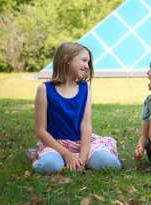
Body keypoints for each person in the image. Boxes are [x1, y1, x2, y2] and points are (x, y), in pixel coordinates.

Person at [30, 42, 121, 174]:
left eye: (88, 62)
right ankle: (36, 158)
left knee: (111, 165)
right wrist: (67, 154)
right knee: (49, 166)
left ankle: (80, 160)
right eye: (84, 60)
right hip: (55, 145)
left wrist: (83, 159)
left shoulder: (85, 88)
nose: (86, 66)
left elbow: (86, 126)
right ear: (67, 59)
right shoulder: (44, 89)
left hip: (82, 143)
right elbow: (40, 131)